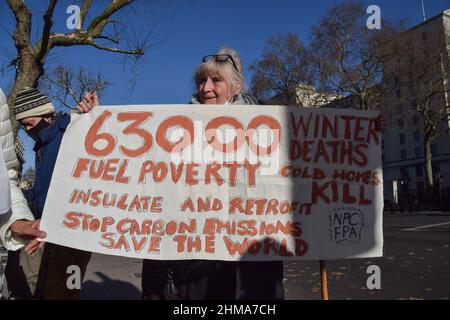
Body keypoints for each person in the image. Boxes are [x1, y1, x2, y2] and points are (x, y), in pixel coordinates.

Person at [139, 47, 285, 300]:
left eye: (216, 80)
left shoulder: (268, 127)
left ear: (236, 86)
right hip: (194, 260)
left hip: (248, 260)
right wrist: (92, 119)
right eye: (201, 80)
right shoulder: (175, 127)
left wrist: (370, 129)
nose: (205, 88)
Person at [12, 87, 97, 300]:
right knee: (42, 287)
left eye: (29, 124)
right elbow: (45, 189)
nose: (27, 131)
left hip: (73, 232)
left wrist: (91, 115)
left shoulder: (68, 129)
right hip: (45, 228)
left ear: (46, 114)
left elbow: (93, 139)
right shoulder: (41, 146)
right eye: (23, 126)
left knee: (66, 289)